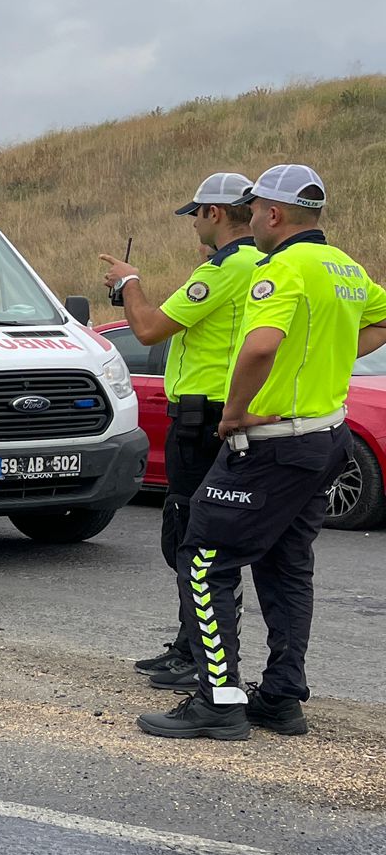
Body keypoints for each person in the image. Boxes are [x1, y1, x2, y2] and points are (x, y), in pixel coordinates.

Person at [138, 164, 386, 740]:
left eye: (253, 211)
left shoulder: (281, 269)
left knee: (202, 558)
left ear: (273, 214)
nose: (249, 220)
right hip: (328, 436)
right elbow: (381, 317)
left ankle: (217, 699)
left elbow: (260, 347)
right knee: (287, 564)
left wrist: (234, 413)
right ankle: (280, 697)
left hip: (271, 441)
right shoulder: (344, 267)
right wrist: (329, 353)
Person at [98, 172, 258, 689]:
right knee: (202, 539)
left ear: (214, 213)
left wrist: (129, 283)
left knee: (192, 539)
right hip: (220, 414)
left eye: (196, 214)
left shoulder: (225, 268)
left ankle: (201, 655)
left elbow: (147, 328)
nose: (193, 223)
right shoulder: (261, 265)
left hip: (204, 418)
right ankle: (193, 642)